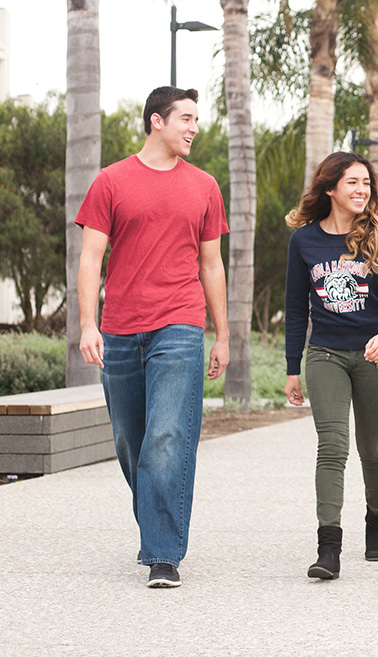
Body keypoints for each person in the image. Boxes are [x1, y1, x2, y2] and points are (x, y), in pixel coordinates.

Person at [76, 86, 229, 588]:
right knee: (131, 441)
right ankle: (158, 527)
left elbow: (211, 264)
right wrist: (87, 324)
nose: (193, 127)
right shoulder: (111, 181)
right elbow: (91, 259)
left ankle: (163, 553)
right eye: (185, 118)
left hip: (180, 325)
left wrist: (222, 334)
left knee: (166, 437)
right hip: (119, 328)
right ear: (156, 121)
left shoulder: (205, 186)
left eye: (195, 119)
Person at [283, 152, 378, 580]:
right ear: (330, 188)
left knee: (371, 450)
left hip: (375, 356)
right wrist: (291, 368)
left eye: (367, 184)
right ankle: (329, 547)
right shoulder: (304, 242)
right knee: (332, 447)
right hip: (326, 355)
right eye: (353, 182)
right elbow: (296, 308)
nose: (361, 191)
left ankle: (377, 518)